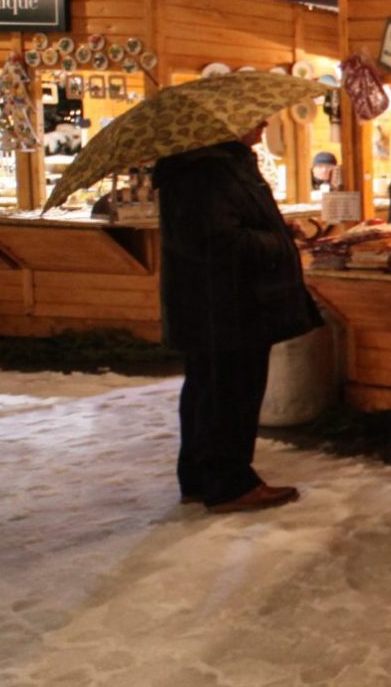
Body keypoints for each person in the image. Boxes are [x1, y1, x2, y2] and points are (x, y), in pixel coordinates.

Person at [154, 121, 323, 513]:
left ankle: (200, 477)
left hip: (220, 303)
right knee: (231, 392)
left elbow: (229, 224)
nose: (264, 123)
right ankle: (230, 484)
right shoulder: (206, 171)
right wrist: (275, 241)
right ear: (226, 124)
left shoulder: (213, 164)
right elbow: (215, 239)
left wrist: (279, 229)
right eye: (256, 118)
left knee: (209, 389)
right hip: (227, 304)